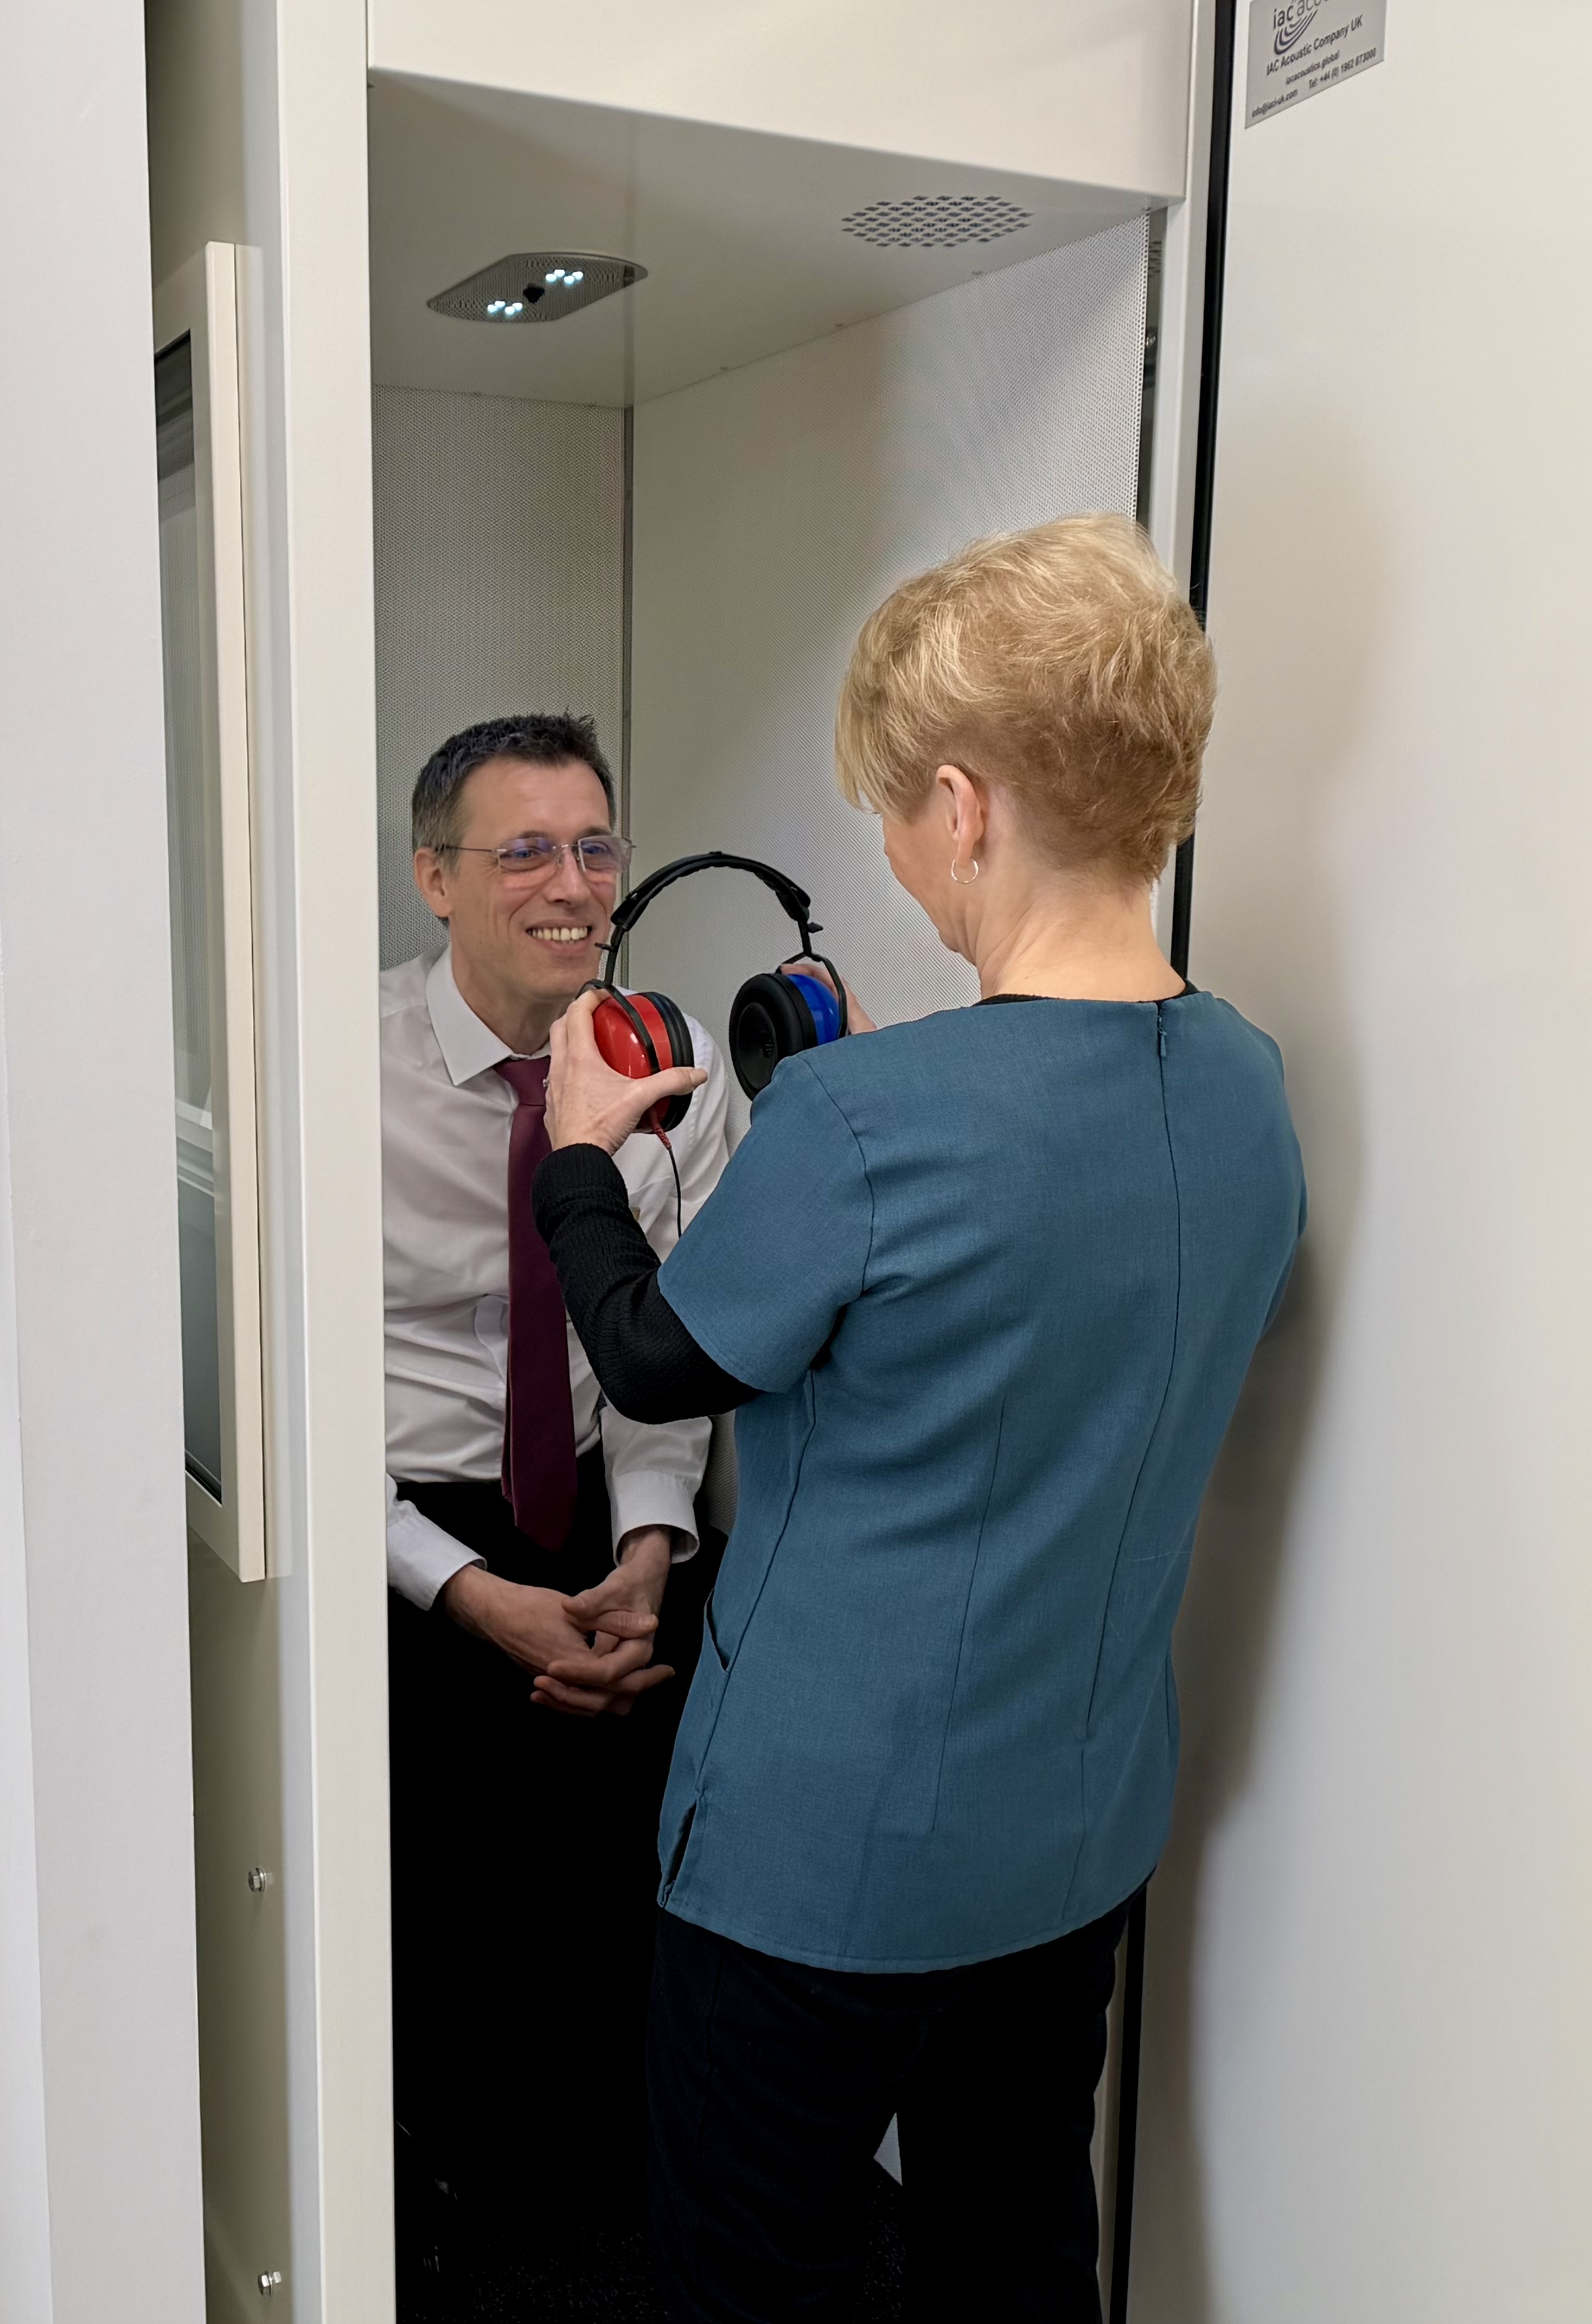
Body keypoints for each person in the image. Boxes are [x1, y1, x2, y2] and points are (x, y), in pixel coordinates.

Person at [530, 516, 1306, 2323]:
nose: (898, 850)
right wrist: (868, 1098)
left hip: (818, 1851)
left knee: (755, 2277)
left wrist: (581, 1152)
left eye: (896, 812)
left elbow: (653, 1359)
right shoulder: (1250, 1086)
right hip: (1077, 1826)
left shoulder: (872, 1123)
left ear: (965, 806)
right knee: (1015, 2248)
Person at [378, 711, 734, 2288]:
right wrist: (456, 1585)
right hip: (401, 1532)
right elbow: (292, 1398)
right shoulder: (331, 1071)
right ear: (434, 878)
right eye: (522, 848)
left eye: (594, 845)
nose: (571, 883)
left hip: (613, 1510)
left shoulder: (689, 1078)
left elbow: (682, 1342)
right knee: (447, 1953)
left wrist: (652, 1544)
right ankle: (449, 2223)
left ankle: (609, 2227)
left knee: (630, 1931)